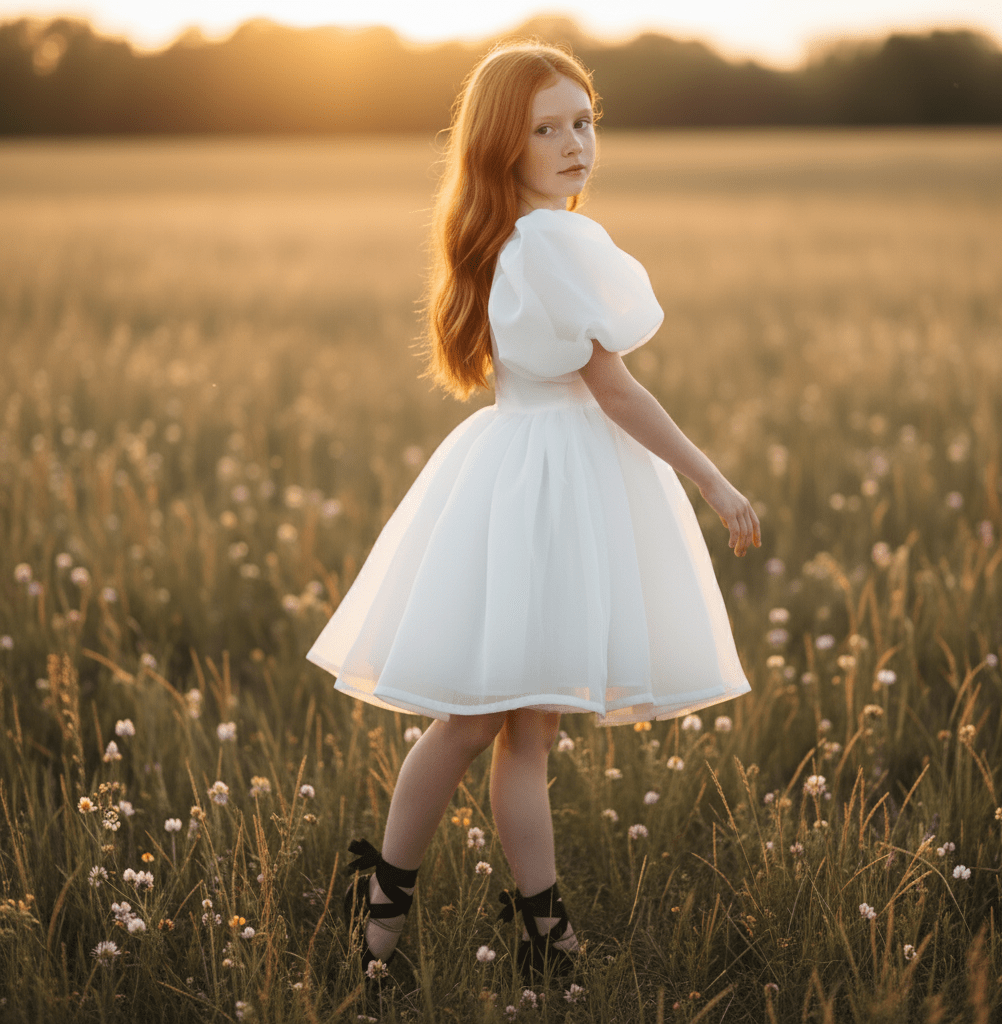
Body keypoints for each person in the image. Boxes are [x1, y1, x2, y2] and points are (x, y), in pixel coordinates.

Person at [307, 41, 760, 983]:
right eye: (545, 129)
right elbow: (616, 388)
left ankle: (427, 911)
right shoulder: (556, 239)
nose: (573, 143)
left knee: (500, 724)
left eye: (584, 122)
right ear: (502, 145)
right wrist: (710, 480)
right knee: (504, 726)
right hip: (558, 484)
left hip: (516, 474)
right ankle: (508, 929)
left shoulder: (507, 232)